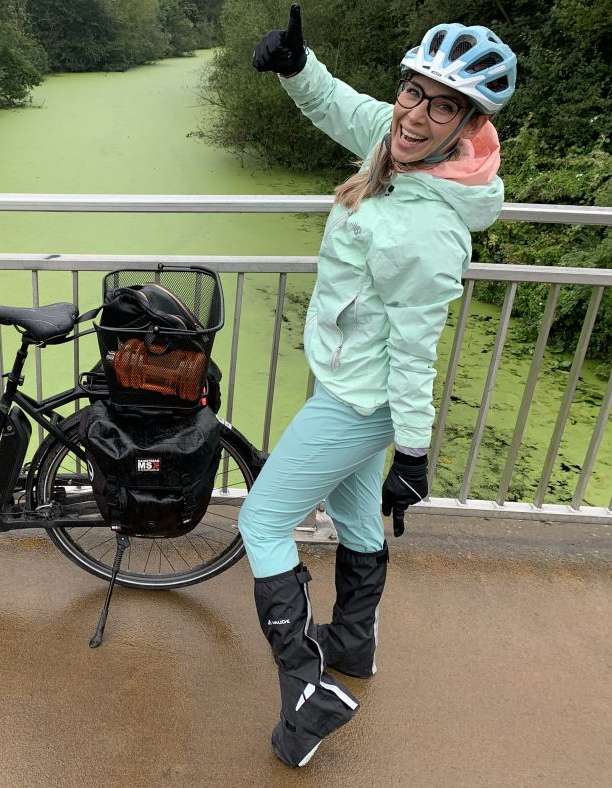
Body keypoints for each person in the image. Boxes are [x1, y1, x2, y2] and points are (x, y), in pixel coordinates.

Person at [240, 4, 517, 768]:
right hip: (351, 382)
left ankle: (305, 693)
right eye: (413, 90)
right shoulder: (398, 149)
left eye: (443, 104)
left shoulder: (428, 231)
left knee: (262, 523)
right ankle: (352, 646)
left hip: (358, 402)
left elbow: (415, 356)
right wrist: (300, 68)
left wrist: (415, 455)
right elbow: (343, 106)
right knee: (359, 519)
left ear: (468, 126)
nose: (415, 112)